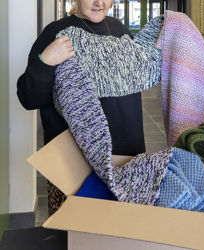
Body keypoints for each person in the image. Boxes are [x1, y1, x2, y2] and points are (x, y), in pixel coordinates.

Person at [17, 0, 145, 215]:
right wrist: (45, 61)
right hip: (73, 164)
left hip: (125, 158)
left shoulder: (119, 30)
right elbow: (29, 98)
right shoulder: (55, 33)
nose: (99, 3)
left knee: (120, 229)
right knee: (73, 233)